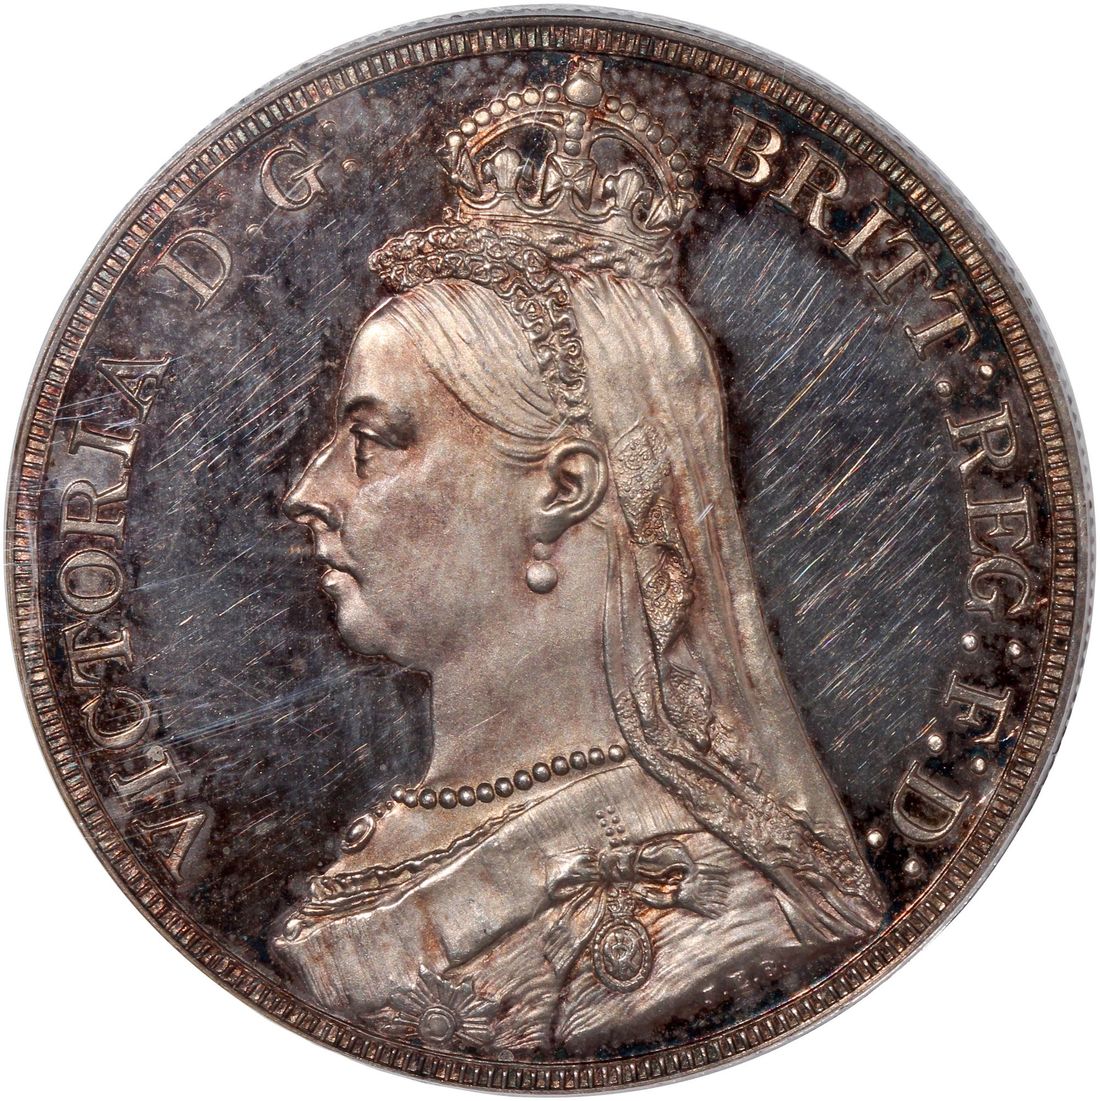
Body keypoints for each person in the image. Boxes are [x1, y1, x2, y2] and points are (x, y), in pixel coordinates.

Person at [276, 55, 883, 1059]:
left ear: (561, 489)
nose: (310, 489)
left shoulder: (716, 908)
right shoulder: (399, 834)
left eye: (374, 439)